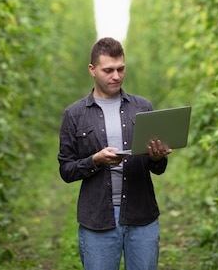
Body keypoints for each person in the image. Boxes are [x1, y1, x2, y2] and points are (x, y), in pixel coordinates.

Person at [58, 37, 172, 270]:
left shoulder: (143, 108)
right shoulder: (74, 114)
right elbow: (66, 170)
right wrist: (95, 160)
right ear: (92, 69)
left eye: (121, 69)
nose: (116, 76)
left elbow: (158, 168)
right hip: (98, 218)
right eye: (108, 70)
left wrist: (157, 157)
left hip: (142, 215)